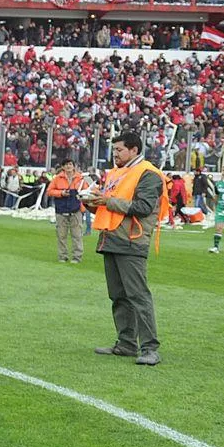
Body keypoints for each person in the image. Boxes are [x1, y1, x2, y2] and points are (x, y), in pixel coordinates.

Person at [87, 131, 167, 365]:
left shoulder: (149, 173)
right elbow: (112, 205)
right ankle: (126, 344)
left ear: (134, 150)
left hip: (132, 241)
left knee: (138, 296)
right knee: (118, 296)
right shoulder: (116, 173)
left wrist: (107, 201)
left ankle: (150, 348)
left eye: (119, 150)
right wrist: (94, 203)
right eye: (114, 150)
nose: (115, 154)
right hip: (111, 239)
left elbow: (143, 207)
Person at [47, 159, 90, 263]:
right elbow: (49, 191)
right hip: (61, 210)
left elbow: (87, 192)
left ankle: (77, 257)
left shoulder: (81, 179)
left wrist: (83, 206)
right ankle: (63, 256)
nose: (68, 166)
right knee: (61, 235)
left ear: (74, 166)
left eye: (70, 164)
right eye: (66, 164)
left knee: (77, 235)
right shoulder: (57, 178)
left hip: (76, 210)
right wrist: (61, 193)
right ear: (63, 167)